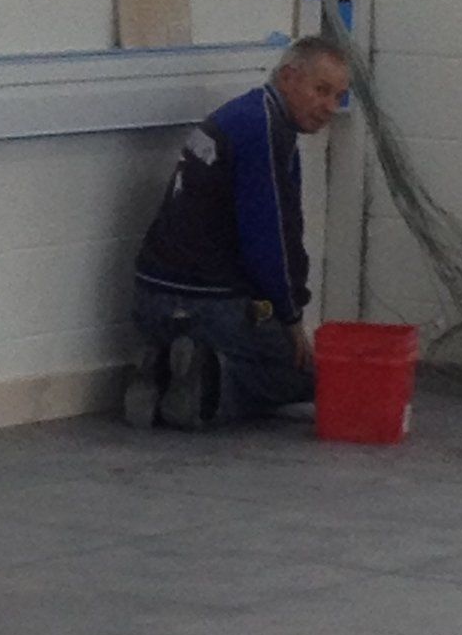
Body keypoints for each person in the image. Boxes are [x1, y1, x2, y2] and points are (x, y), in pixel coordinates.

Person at [126, 34, 352, 429]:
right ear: (288, 78)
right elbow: (271, 239)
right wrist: (291, 317)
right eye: (321, 90)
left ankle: (160, 368)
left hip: (150, 299)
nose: (329, 107)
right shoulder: (264, 132)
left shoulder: (238, 115)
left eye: (338, 96)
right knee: (307, 375)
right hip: (207, 304)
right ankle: (209, 386)